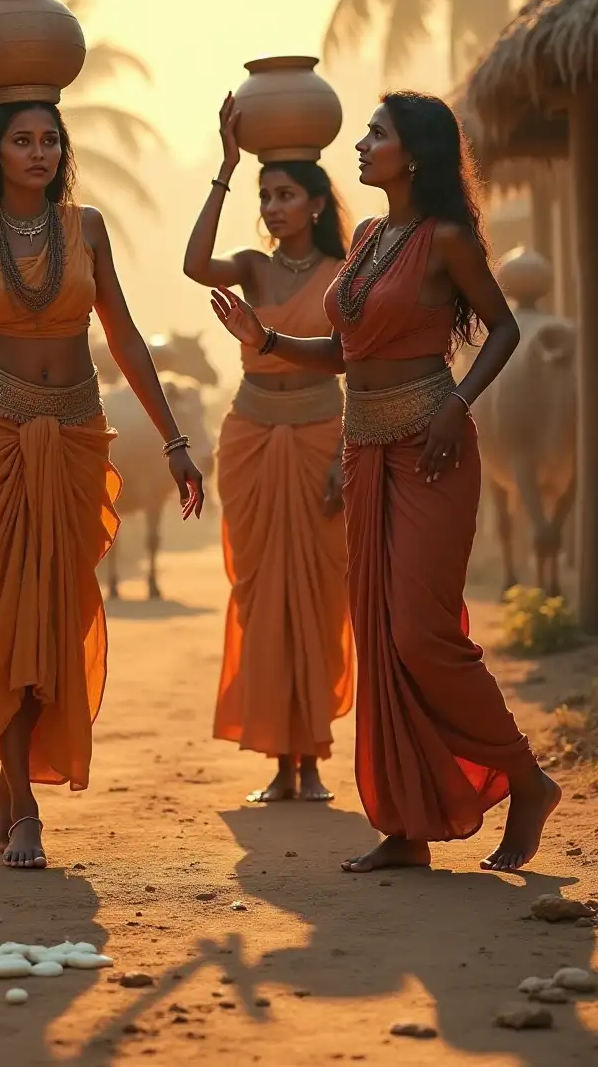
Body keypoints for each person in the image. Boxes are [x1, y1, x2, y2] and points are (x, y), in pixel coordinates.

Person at [210, 90, 560, 873]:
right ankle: (404, 826)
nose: (362, 145)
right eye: (366, 132)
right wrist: (263, 337)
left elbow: (502, 327)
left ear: (417, 153)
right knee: (377, 635)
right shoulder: (369, 235)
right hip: (364, 447)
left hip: (431, 443)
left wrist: (458, 404)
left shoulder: (446, 240)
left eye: (377, 133)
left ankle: (526, 777)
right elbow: (346, 354)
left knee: (419, 633)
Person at [0, 100, 204, 870]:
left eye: (50, 139)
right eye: (22, 140)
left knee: (52, 614)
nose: (39, 152)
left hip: (75, 435)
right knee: (3, 614)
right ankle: (24, 801)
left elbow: (121, 335)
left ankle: (12, 785)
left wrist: (176, 438)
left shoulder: (85, 228)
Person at [183, 95, 353, 803]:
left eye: (286, 195)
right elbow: (195, 265)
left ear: (316, 204)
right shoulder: (251, 266)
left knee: (315, 599)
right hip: (250, 437)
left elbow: (359, 362)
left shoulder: (348, 270)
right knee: (260, 597)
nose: (274, 206)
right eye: (266, 196)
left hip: (322, 439)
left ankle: (310, 761)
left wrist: (347, 453)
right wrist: (226, 168)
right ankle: (276, 766)